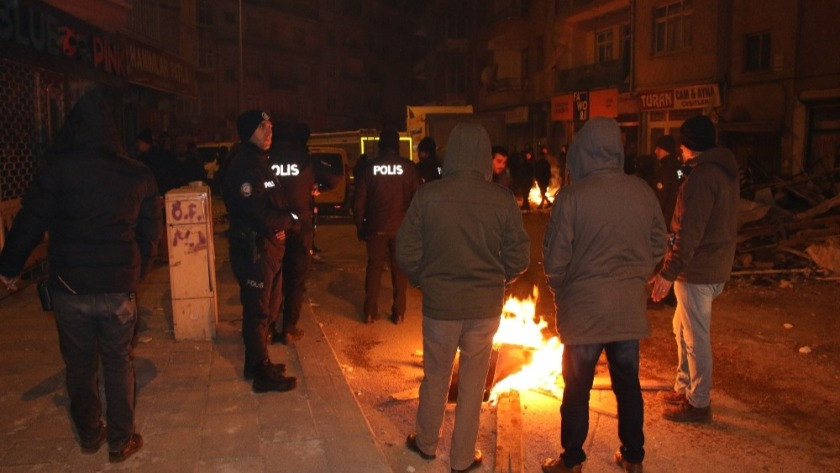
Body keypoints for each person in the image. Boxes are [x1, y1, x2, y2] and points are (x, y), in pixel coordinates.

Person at [0, 87, 161, 463]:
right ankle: (121, 440)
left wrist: (8, 269)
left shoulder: (57, 171)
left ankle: (90, 434)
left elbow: (28, 222)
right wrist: (137, 274)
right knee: (119, 361)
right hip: (118, 287)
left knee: (79, 364)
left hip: (70, 288)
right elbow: (150, 234)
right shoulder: (137, 173)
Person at [396, 122, 530, 473]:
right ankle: (461, 459)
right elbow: (519, 257)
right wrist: (500, 279)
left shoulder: (429, 195)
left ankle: (426, 444)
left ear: (450, 154)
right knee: (473, 382)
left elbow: (406, 249)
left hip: (440, 307)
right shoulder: (501, 199)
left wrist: (423, 279)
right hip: (484, 308)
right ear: (485, 158)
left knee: (436, 375)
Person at [541, 117, 666, 473]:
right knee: (628, 385)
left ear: (581, 152)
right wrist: (638, 273)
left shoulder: (573, 196)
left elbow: (555, 259)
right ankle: (633, 457)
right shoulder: (641, 190)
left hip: (584, 310)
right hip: (627, 310)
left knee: (577, 389)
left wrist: (561, 288)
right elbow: (658, 243)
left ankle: (573, 460)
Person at [650, 115, 739, 423]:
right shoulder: (722, 173)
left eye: (682, 147)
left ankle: (698, 402)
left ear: (687, 146)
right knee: (682, 328)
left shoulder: (702, 179)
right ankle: (684, 388)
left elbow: (690, 233)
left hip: (698, 271)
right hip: (714, 265)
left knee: (694, 336)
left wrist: (668, 271)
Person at [222, 109, 299, 393]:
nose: (269, 131)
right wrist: (287, 222)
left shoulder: (261, 162)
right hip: (254, 251)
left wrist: (282, 222)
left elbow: (274, 202)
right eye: (261, 127)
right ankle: (260, 373)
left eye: (270, 125)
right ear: (247, 133)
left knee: (269, 308)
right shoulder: (244, 166)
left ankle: (256, 362)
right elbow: (256, 211)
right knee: (257, 312)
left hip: (269, 247)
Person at [268, 120, 341, 344]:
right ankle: (289, 327)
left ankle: (269, 327)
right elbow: (336, 176)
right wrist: (320, 187)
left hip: (273, 224)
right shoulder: (306, 160)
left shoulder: (266, 159)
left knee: (271, 276)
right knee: (296, 277)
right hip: (301, 225)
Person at [354, 129, 420, 324]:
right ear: (397, 145)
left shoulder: (370, 168)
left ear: (381, 145)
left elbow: (359, 202)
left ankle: (369, 311)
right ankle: (398, 312)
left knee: (374, 268)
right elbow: (419, 200)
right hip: (402, 229)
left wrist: (360, 226)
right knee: (399, 270)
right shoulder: (408, 168)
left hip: (376, 228)